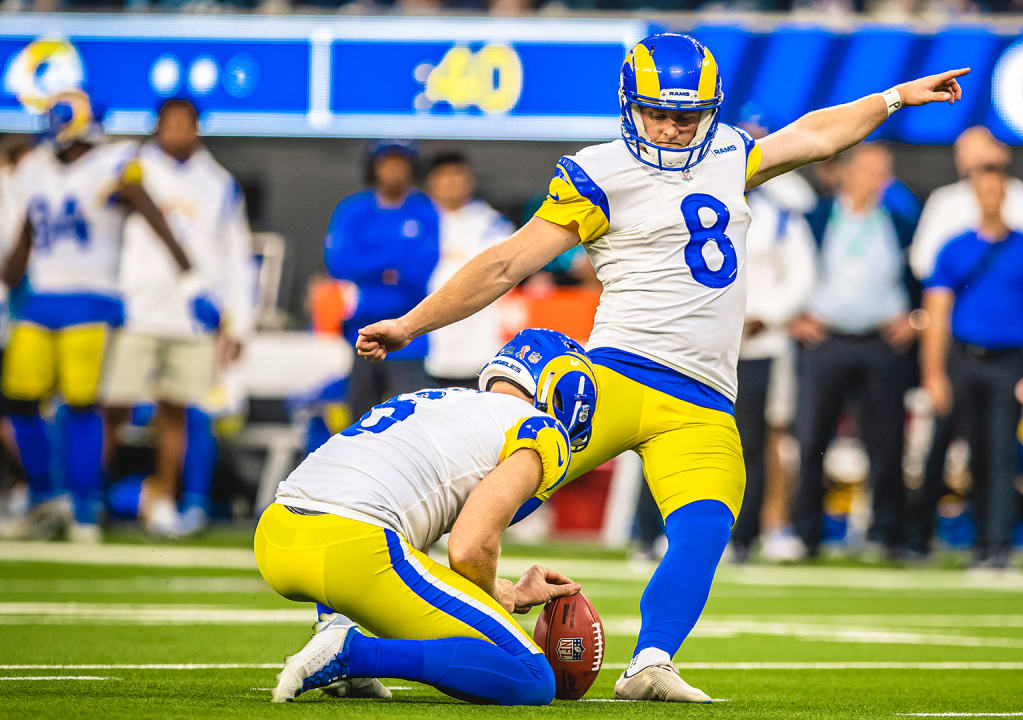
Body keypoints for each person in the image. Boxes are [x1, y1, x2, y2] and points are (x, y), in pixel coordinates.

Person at [355, 32, 968, 702]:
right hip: (616, 375)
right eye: (660, 113)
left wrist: (894, 96)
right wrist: (412, 323)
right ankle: (354, 614)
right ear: (629, 104)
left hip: (704, 395)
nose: (675, 128)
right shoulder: (598, 172)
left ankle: (650, 662)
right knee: (477, 509)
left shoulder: (730, 151)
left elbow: (816, 134)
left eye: (689, 114)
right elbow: (507, 263)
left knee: (705, 525)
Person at [256, 329, 596, 705]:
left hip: (276, 537)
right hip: (351, 550)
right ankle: (353, 654)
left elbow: (405, 532)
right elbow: (470, 548)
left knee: (390, 532)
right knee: (532, 677)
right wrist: (490, 605)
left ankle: (335, 626)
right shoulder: (539, 431)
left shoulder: (435, 399)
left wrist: (506, 592)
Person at [0, 91, 193, 542]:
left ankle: (84, 504)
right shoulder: (37, 166)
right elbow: (27, 235)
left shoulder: (115, 163)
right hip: (42, 298)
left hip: (93, 297)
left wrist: (188, 277)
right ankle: (47, 495)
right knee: (19, 399)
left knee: (82, 404)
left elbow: (151, 213)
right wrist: (6, 283)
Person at [99, 98, 256, 537]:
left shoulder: (219, 182)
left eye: (185, 125)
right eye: (170, 125)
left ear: (197, 128)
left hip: (192, 316)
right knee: (113, 407)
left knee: (176, 411)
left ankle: (164, 500)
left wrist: (238, 321)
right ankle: (90, 497)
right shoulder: (132, 166)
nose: (177, 133)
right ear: (158, 127)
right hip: (136, 307)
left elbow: (237, 255)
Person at [920, 162, 1023, 568]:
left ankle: (998, 544)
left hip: (1009, 360)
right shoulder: (954, 247)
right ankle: (969, 539)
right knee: (971, 452)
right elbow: (937, 312)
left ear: (1005, 193)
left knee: (1002, 452)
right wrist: (933, 372)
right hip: (965, 357)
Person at [788, 143, 916, 560]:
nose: (878, 180)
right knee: (812, 440)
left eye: (885, 172)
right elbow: (786, 268)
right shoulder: (816, 219)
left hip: (882, 343)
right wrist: (794, 316)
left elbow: (922, 275)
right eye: (869, 170)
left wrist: (914, 317)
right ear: (846, 172)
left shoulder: (900, 222)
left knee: (887, 442)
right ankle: (807, 533)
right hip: (827, 342)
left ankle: (887, 534)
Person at [730, 110, 817, 562]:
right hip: (710, 347)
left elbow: (801, 276)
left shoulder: (784, 210)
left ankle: (766, 527)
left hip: (765, 343)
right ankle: (702, 533)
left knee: (766, 436)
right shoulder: (702, 202)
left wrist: (767, 315)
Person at [324, 140, 440, 419]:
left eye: (401, 163)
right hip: (362, 332)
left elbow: (420, 269)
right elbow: (339, 263)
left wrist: (372, 265)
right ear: (374, 167)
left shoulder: (425, 211)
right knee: (359, 421)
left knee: (413, 420)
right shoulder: (353, 210)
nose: (394, 170)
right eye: (387, 163)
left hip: (411, 335)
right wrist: (391, 265)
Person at [909, 126, 1023, 282]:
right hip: (960, 298)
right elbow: (922, 263)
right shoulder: (944, 202)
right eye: (966, 154)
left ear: (1002, 154)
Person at [423, 152, 514, 388]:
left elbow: (501, 273)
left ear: (470, 180)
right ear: (431, 181)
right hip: (426, 345)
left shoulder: (491, 222)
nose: (452, 181)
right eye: (444, 175)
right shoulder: (415, 221)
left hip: (480, 345)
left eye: (458, 174)